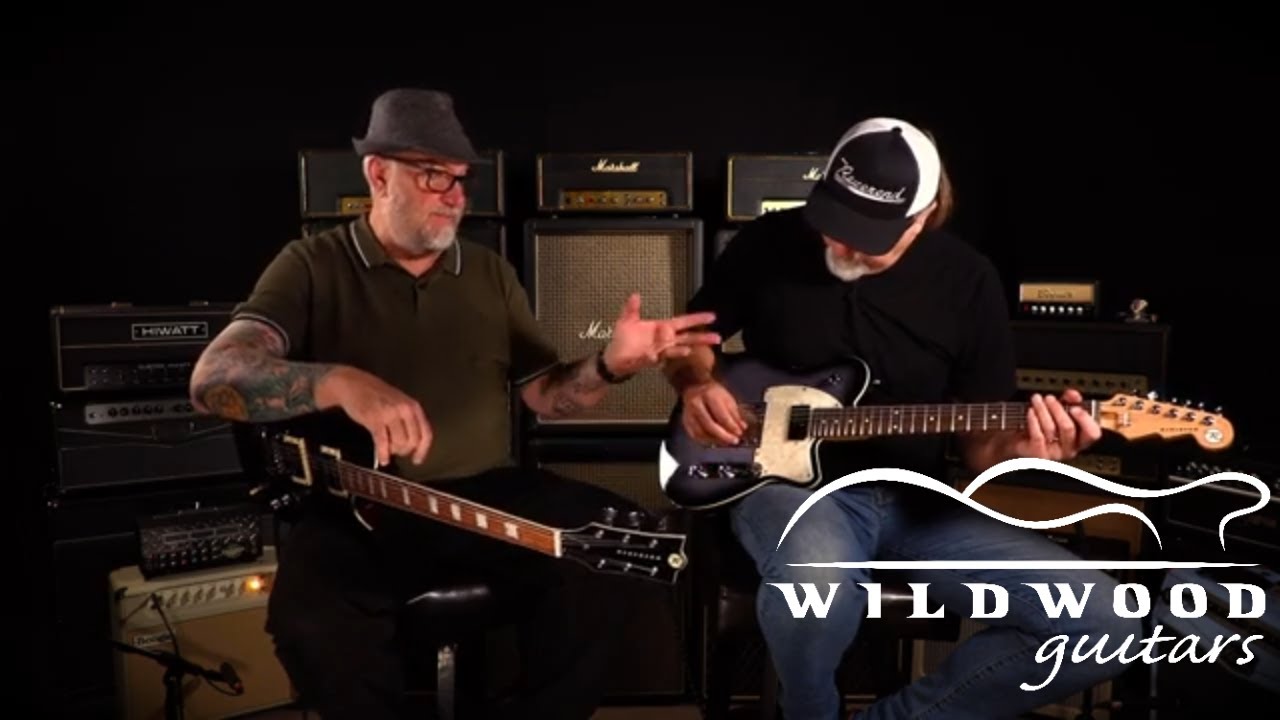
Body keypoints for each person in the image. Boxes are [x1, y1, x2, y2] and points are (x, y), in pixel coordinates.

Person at [188, 87, 720, 720]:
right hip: (354, 501)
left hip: (483, 493)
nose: (455, 195)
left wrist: (611, 364)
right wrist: (342, 382)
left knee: (618, 549)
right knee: (312, 621)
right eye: (432, 175)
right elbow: (213, 378)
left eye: (460, 178)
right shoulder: (310, 265)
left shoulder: (490, 273)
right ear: (377, 174)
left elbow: (548, 397)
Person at [663, 117, 1143, 719]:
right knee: (815, 583)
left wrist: (1025, 450)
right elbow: (687, 341)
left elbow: (982, 450)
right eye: (836, 225)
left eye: (869, 237)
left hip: (919, 506)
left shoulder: (968, 280)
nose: (844, 248)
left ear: (924, 216)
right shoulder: (767, 244)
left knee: (1104, 620)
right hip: (788, 488)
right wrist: (698, 384)